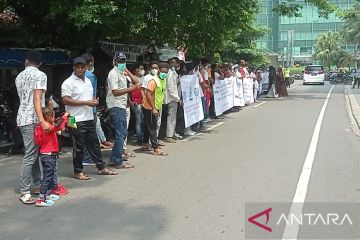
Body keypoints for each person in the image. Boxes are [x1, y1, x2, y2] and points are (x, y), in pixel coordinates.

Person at [62, 57, 118, 180]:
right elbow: (65, 100)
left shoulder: (87, 80)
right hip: (73, 119)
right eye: (78, 67)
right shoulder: (68, 82)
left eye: (83, 67)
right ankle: (78, 171)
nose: (80, 69)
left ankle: (101, 167)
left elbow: (89, 98)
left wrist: (93, 102)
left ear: (86, 67)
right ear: (74, 68)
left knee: (94, 144)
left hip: (88, 117)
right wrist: (86, 102)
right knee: (78, 146)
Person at [16, 50, 51, 204]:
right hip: (32, 118)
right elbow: (37, 98)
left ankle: (37, 185)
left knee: (34, 153)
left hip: (23, 117)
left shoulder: (19, 76)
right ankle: (24, 191)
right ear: (40, 63)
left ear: (26, 61)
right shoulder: (40, 75)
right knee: (30, 155)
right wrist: (42, 120)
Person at [106, 51, 140, 169]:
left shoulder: (122, 72)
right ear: (114, 61)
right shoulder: (113, 74)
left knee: (123, 133)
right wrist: (131, 89)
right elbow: (115, 92)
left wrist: (128, 71)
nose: (121, 63)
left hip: (122, 105)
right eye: (120, 61)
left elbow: (137, 81)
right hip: (116, 106)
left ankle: (114, 157)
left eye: (123, 61)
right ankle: (117, 160)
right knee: (120, 134)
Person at [81, 53, 113, 166]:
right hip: (89, 110)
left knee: (80, 136)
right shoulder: (90, 76)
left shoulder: (73, 77)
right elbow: (92, 95)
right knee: (91, 136)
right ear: (90, 63)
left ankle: (83, 158)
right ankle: (88, 158)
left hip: (76, 111)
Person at [34, 107, 69, 207]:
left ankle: (47, 194)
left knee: (49, 175)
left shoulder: (39, 127)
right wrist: (65, 117)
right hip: (49, 155)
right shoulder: (48, 127)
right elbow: (59, 126)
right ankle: (41, 199)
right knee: (47, 177)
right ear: (49, 117)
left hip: (44, 154)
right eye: (53, 117)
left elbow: (38, 141)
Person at [141, 62, 168, 155]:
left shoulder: (164, 80)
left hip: (157, 106)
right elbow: (148, 94)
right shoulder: (153, 81)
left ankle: (145, 143)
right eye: (163, 71)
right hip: (149, 106)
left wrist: (158, 108)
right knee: (152, 127)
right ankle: (155, 148)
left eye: (166, 72)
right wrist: (153, 108)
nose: (164, 73)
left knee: (148, 125)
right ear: (159, 71)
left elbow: (160, 94)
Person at [164, 58, 182, 143]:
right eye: (174, 63)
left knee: (173, 117)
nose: (176, 64)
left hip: (174, 97)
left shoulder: (173, 72)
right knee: (171, 116)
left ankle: (172, 132)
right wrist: (178, 99)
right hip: (172, 98)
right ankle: (169, 135)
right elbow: (171, 88)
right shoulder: (170, 73)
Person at [130, 63, 146, 143]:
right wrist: (132, 102)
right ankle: (140, 137)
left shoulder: (144, 78)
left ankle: (143, 136)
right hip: (137, 102)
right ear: (136, 70)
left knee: (143, 120)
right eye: (141, 68)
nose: (143, 70)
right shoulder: (132, 79)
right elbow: (130, 91)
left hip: (144, 101)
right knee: (138, 120)